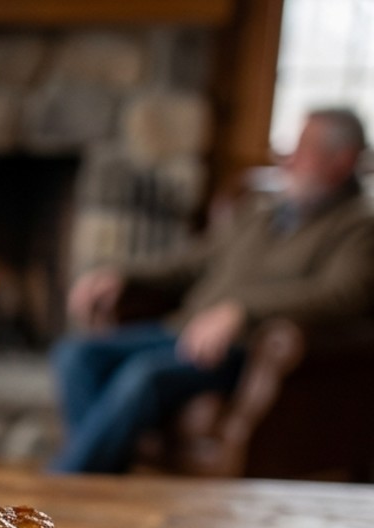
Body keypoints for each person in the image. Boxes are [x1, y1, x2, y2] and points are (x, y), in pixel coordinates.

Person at [50, 106, 374, 474]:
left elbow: (344, 294)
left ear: (342, 160)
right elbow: (192, 260)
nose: (288, 156)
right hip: (183, 330)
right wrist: (122, 274)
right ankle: (100, 479)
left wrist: (241, 310)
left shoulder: (360, 226)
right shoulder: (262, 210)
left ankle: (68, 481)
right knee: (76, 354)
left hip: (244, 351)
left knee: (145, 375)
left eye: (304, 146)